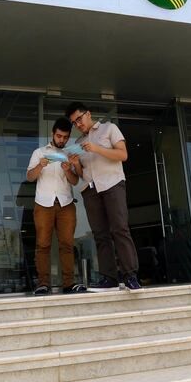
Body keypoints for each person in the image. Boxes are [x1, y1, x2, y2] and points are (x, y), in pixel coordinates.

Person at [65, 102, 141, 291]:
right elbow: (83, 174)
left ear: (88, 114)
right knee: (100, 235)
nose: (78, 124)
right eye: (74, 123)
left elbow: (123, 155)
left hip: (113, 184)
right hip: (91, 190)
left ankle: (130, 276)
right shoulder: (77, 144)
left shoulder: (109, 128)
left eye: (79, 119)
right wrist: (76, 165)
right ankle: (109, 278)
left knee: (120, 229)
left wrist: (96, 148)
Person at [26, 117, 87, 295]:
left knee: (67, 244)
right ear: (53, 133)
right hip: (43, 204)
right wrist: (40, 166)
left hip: (66, 203)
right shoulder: (39, 152)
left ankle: (69, 283)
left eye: (65, 137)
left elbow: (75, 181)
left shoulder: (70, 154)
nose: (62, 140)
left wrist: (69, 169)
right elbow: (30, 177)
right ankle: (43, 283)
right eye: (59, 136)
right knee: (43, 244)